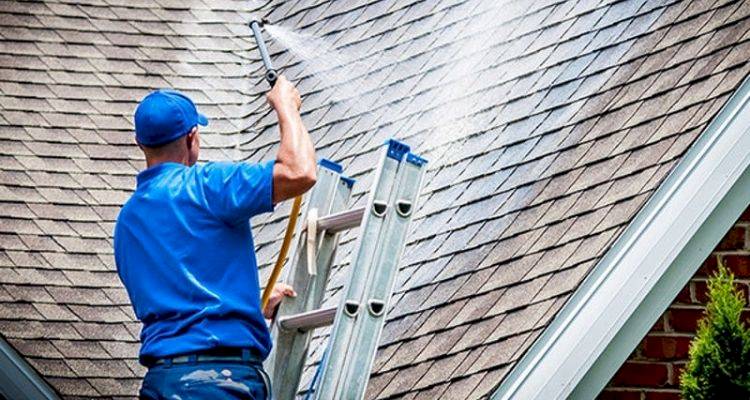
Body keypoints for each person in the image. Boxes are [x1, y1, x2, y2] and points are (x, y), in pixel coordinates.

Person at [114, 75, 316, 399]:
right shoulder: (207, 186)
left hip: (161, 385)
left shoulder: (127, 222)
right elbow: (299, 172)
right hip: (218, 384)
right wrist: (286, 107)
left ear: (141, 144)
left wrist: (254, 305)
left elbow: (180, 297)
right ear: (192, 137)